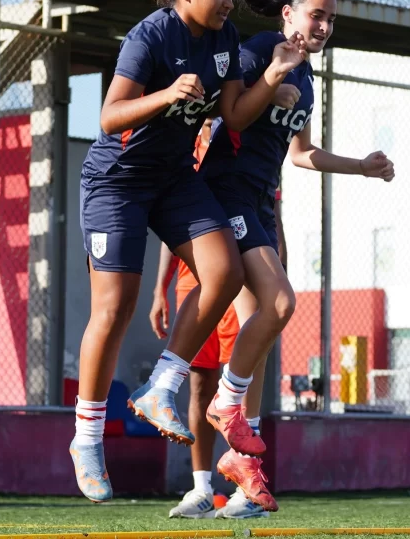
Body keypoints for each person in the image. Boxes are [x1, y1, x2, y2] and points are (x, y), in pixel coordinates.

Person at [71, 0, 307, 503]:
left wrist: (271, 78)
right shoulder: (148, 38)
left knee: (224, 273)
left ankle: (162, 385)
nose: (228, 2)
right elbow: (108, 116)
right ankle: (85, 440)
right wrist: (165, 95)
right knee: (115, 308)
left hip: (175, 179)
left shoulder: (225, 42)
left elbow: (234, 116)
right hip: (119, 180)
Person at [181, 0, 396, 511]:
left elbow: (300, 153)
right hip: (226, 194)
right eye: (314, 15)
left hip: (260, 204)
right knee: (279, 303)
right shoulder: (256, 52)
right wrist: (269, 81)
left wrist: (361, 168)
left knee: (261, 330)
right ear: (288, 14)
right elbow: (225, 113)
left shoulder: (309, 76)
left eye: (330, 19)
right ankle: (221, 417)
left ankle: (244, 476)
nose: (322, 26)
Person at [149, 121, 288, 520]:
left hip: (242, 259)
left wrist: (277, 258)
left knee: (240, 374)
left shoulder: (250, 128)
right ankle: (201, 489)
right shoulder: (188, 138)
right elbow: (172, 219)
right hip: (195, 272)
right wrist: (160, 286)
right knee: (199, 382)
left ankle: (246, 488)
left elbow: (270, 204)